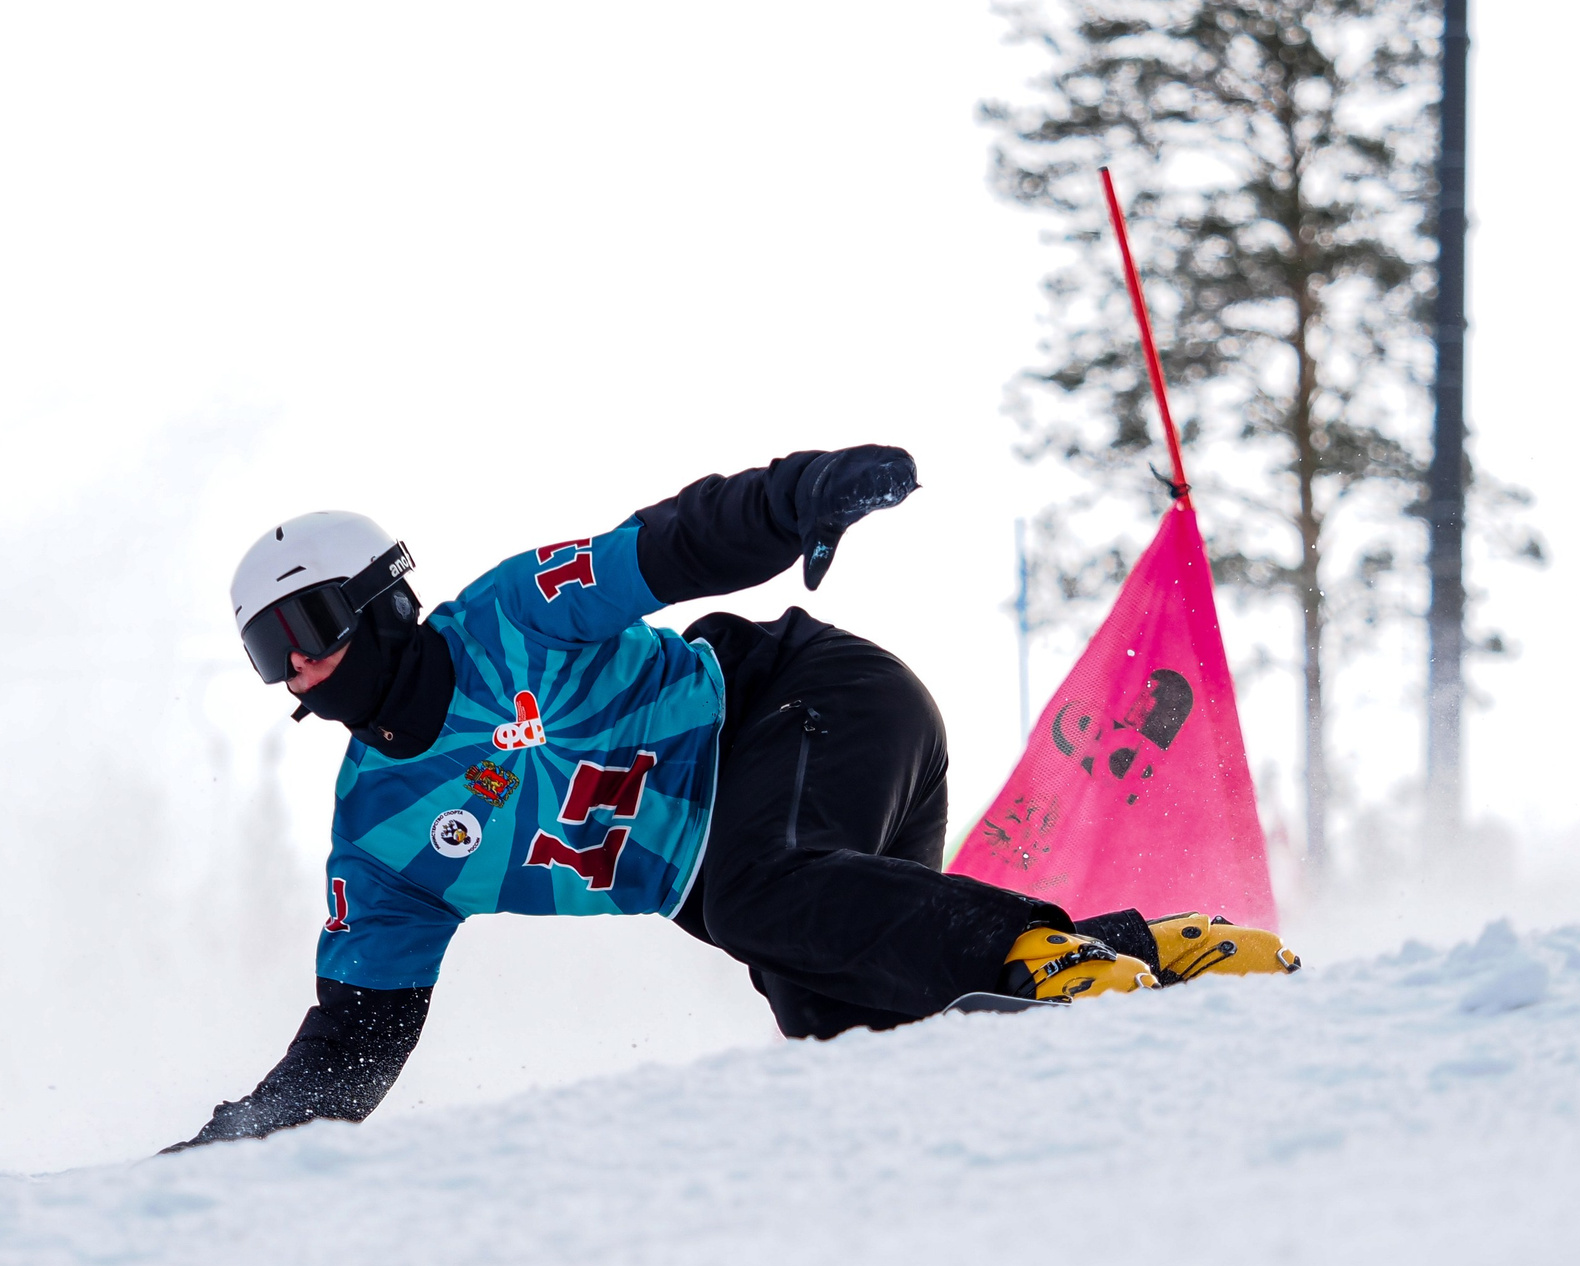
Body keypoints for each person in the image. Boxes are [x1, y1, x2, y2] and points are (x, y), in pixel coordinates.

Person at [166, 446, 1294, 1150]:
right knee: (852, 1037)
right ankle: (1156, 958)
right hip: (778, 867)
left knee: (758, 893)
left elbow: (674, 544)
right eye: (270, 652)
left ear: (383, 602)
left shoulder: (512, 615)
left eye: (310, 625)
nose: (299, 665)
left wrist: (803, 496)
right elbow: (356, 1036)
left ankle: (1043, 954)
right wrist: (236, 1148)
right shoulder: (380, 842)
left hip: (810, 702)